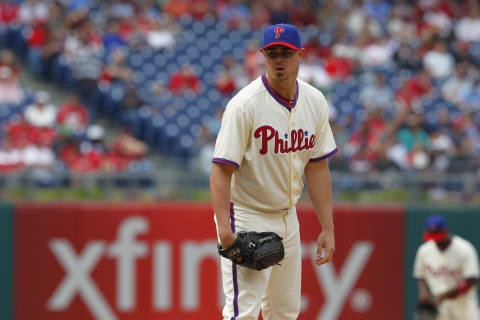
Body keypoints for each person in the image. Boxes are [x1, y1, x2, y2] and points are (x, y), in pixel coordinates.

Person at [210, 23, 337, 320]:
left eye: (286, 53)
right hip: (247, 214)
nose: (279, 60)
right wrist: (226, 234)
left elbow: (317, 167)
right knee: (243, 314)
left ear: (300, 55)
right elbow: (220, 171)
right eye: (272, 54)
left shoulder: (315, 101)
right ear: (263, 57)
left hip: (288, 215)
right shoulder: (244, 105)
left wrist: (327, 227)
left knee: (284, 313)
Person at [413, 214, 480, 320]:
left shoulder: (464, 249)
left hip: (463, 303)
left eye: (438, 236)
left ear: (446, 231)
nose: (436, 240)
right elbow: (420, 275)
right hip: (439, 304)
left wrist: (445, 295)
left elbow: (471, 279)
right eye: (433, 237)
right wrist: (423, 292)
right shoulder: (424, 251)